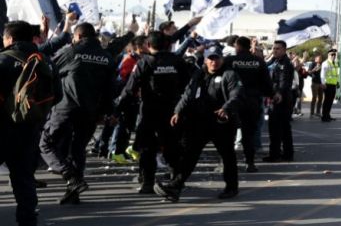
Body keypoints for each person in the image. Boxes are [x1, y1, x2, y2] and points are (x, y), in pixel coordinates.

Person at [39, 23, 116, 205]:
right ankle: (74, 191)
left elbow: (47, 69)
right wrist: (107, 112)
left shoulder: (71, 52)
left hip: (66, 108)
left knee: (45, 143)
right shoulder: (107, 57)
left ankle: (71, 176)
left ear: (79, 36)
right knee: (78, 149)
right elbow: (110, 89)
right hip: (91, 111)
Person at [153, 46, 242, 202]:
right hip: (199, 122)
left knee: (227, 156)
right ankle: (175, 186)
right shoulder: (199, 74)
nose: (213, 62)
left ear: (222, 59)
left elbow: (236, 94)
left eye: (217, 58)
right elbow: (188, 93)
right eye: (210, 58)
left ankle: (231, 187)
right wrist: (178, 111)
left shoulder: (229, 74)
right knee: (189, 155)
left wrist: (226, 108)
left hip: (221, 123)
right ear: (205, 60)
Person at [115, 31, 191, 193]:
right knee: (172, 146)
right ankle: (176, 179)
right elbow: (188, 87)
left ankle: (147, 182)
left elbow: (130, 89)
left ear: (148, 46)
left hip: (150, 111)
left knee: (148, 148)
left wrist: (116, 109)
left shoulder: (144, 62)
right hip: (173, 111)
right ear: (168, 45)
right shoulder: (178, 61)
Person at [0, 21, 44, 225]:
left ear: (10, 38)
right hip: (30, 128)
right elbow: (57, 95)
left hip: (2, 128)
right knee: (24, 178)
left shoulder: (3, 60)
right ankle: (28, 220)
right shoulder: (44, 61)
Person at [223, 36, 273, 173]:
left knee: (227, 135)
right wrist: (272, 95)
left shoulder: (229, 61)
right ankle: (249, 162)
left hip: (233, 102)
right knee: (248, 134)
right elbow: (267, 83)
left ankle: (227, 164)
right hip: (252, 102)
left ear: (237, 46)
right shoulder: (258, 62)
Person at [263, 40, 295, 162]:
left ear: (284, 50)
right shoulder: (275, 61)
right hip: (276, 98)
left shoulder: (285, 64)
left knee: (276, 128)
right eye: (274, 48)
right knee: (283, 128)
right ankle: (287, 153)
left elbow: (284, 82)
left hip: (281, 99)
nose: (274, 50)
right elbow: (264, 66)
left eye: (278, 49)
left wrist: (279, 94)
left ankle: (275, 154)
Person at [320, 49, 340, 122]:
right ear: (328, 55)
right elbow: (322, 74)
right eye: (332, 54)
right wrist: (323, 83)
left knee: (331, 101)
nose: (333, 56)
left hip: (333, 84)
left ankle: (328, 115)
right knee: (327, 101)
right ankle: (324, 116)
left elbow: (335, 74)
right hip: (327, 85)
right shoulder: (326, 63)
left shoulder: (335, 63)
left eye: (334, 54)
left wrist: (337, 82)